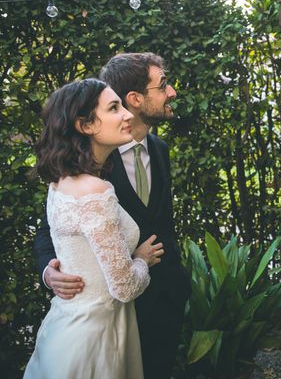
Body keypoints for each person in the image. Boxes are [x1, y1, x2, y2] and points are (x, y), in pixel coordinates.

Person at [34, 53, 191, 379]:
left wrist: (176, 284)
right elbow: (52, 229)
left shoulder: (159, 149)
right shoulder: (85, 170)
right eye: (162, 85)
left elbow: (160, 221)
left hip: (163, 301)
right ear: (134, 99)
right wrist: (50, 272)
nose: (172, 92)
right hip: (106, 316)